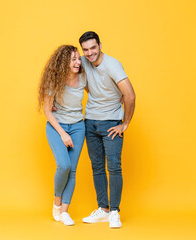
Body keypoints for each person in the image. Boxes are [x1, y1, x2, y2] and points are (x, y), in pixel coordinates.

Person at [79, 31, 136, 228]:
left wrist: (124, 123)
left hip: (111, 122)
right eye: (85, 50)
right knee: (97, 167)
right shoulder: (83, 61)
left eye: (93, 48)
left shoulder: (112, 64)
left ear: (100, 45)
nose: (89, 53)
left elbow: (130, 95)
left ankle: (114, 212)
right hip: (90, 121)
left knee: (113, 166)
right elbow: (70, 78)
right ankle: (102, 209)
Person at [38, 45, 86, 226]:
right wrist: (63, 134)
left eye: (78, 59)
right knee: (63, 165)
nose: (77, 62)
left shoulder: (83, 77)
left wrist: (116, 96)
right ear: (63, 62)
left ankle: (64, 212)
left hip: (78, 127)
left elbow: (96, 90)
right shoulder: (54, 80)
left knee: (72, 170)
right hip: (56, 126)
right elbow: (47, 111)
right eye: (73, 59)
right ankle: (56, 200)